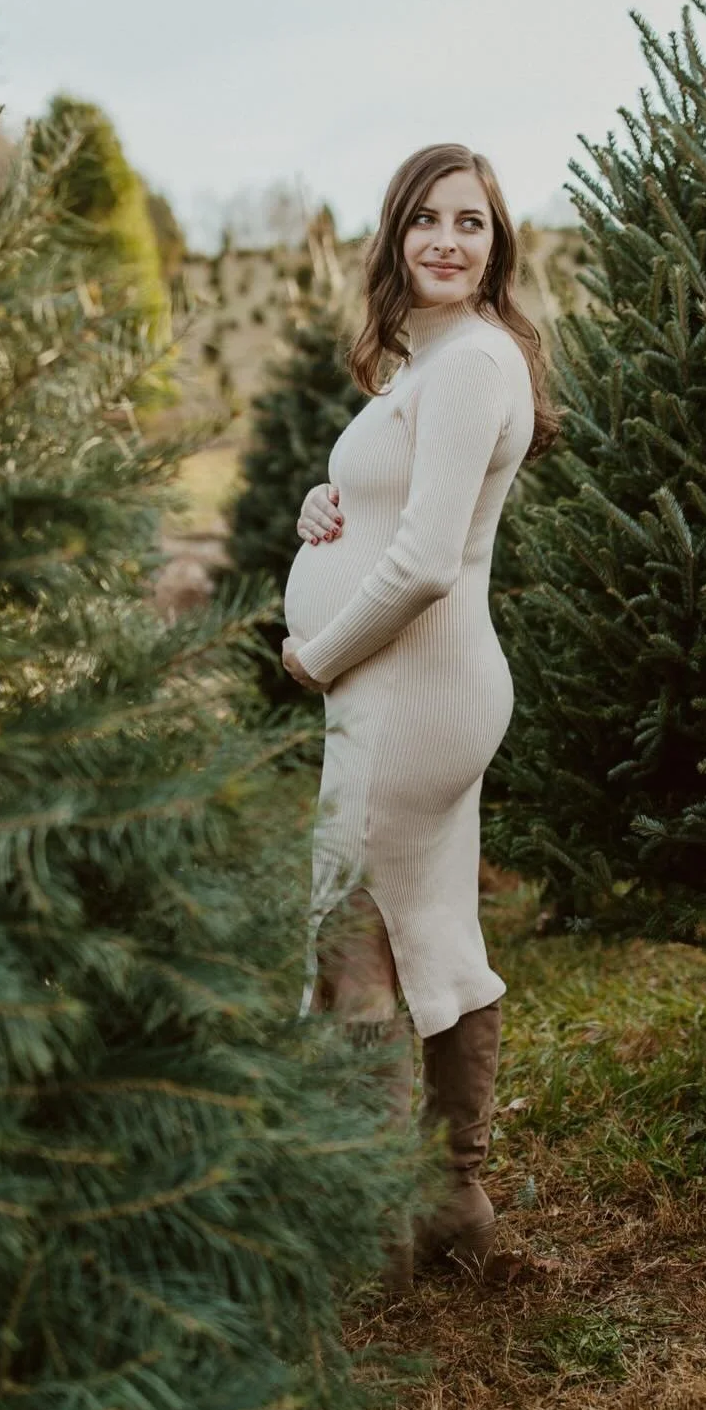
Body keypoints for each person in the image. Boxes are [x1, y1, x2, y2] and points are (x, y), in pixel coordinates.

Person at [279, 142, 559, 1291]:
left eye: (474, 223)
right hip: (416, 693)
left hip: (407, 692)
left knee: (352, 947)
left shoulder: (475, 362)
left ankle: (373, 1243)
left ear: (497, 248)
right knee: (431, 930)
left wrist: (317, 654)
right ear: (397, 234)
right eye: (429, 219)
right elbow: (391, 506)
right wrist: (320, 507)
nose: (449, 239)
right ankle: (451, 1205)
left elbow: (433, 559)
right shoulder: (427, 363)